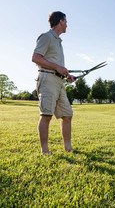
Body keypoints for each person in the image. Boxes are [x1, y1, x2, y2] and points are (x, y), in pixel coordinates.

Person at [32, 11, 75, 154]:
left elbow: (57, 65)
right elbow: (36, 58)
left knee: (67, 115)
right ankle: (45, 151)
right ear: (61, 22)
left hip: (58, 81)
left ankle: (68, 148)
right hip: (47, 79)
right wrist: (57, 67)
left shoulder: (58, 41)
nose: (67, 25)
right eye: (66, 22)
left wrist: (66, 75)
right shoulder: (46, 37)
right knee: (46, 115)